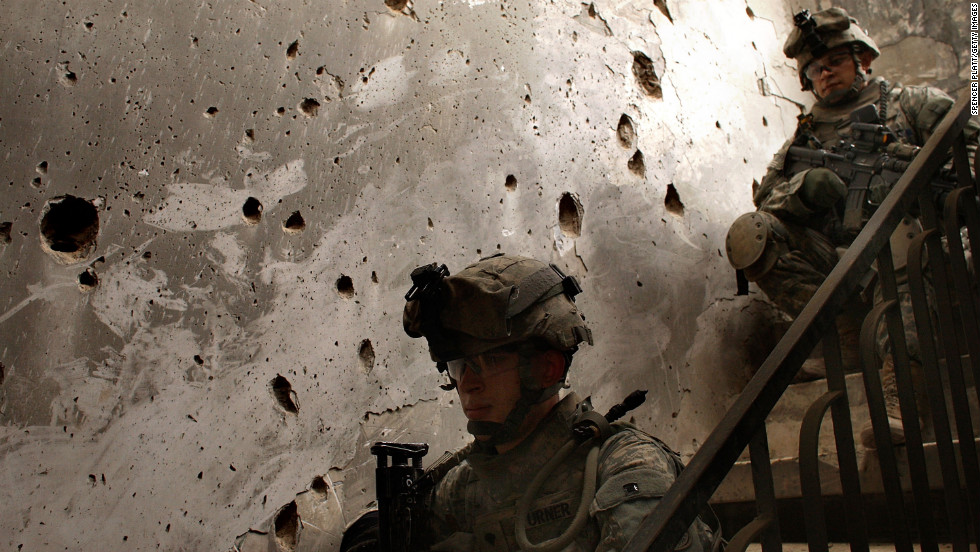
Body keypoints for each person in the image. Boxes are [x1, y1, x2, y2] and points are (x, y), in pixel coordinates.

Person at [725, 7, 978, 447]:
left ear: (862, 59)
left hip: (920, 260)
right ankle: (844, 337)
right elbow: (766, 198)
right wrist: (804, 189)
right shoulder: (805, 137)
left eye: (835, 62)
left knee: (898, 238)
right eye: (815, 70)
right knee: (753, 234)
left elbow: (970, 149)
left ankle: (905, 393)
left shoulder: (912, 103)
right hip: (844, 268)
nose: (825, 75)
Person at [401, 253, 716, 552]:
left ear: (546, 370)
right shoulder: (462, 488)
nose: (468, 383)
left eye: (491, 360)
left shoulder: (622, 463)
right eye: (458, 366)